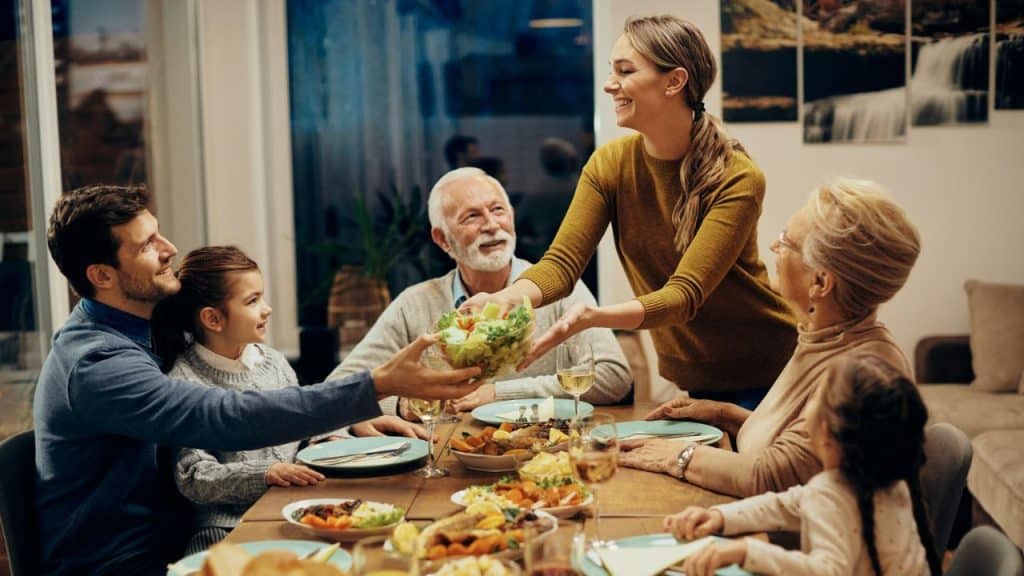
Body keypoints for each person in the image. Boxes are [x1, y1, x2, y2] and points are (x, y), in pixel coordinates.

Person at [34, 185, 481, 576]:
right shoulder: (97, 364)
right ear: (101, 275)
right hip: (126, 564)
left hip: (168, 543)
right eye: (148, 244)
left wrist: (347, 422)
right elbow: (223, 415)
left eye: (159, 232)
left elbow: (256, 390)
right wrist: (373, 386)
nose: (169, 248)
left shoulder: (141, 332)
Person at [462, 15, 798, 410]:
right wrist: (509, 297)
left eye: (625, 71)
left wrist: (594, 317)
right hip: (694, 374)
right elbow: (562, 264)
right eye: (611, 71)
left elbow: (683, 296)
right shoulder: (611, 164)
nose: (609, 84)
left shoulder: (738, 177)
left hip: (770, 371)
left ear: (674, 81)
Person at [618, 178, 921, 497]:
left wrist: (672, 456)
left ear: (820, 282)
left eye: (786, 241)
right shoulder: (826, 337)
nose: (775, 247)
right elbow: (799, 448)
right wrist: (721, 413)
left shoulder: (861, 374)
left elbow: (771, 476)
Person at [149, 246, 425, 554]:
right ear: (213, 319)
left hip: (295, 508)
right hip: (227, 529)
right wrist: (266, 474)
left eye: (262, 297)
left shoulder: (272, 361)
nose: (266, 309)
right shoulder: (181, 382)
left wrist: (330, 439)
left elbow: (305, 426)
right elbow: (194, 475)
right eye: (252, 301)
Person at [328, 167, 632, 414]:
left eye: (498, 210)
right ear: (442, 240)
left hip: (544, 456)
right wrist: (402, 405)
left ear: (512, 218)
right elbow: (340, 389)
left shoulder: (559, 289)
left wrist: (498, 394)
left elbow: (614, 377)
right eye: (471, 216)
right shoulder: (415, 304)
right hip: (447, 465)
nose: (491, 225)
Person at [665, 354, 941, 576]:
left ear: (829, 435)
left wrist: (746, 552)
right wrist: (720, 516)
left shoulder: (831, 492)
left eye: (816, 398)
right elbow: (785, 504)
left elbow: (827, 571)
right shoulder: (889, 482)